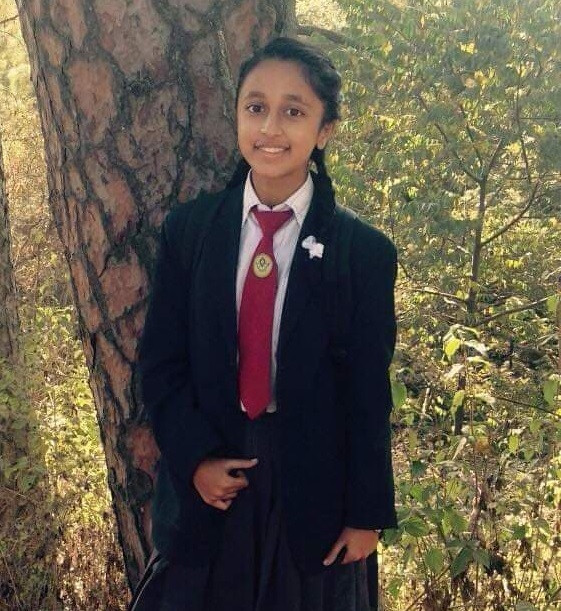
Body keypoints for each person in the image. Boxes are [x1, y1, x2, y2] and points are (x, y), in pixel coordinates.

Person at [131, 36, 398, 611]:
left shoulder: (362, 251)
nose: (270, 128)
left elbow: (368, 393)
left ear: (324, 130)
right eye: (256, 107)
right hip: (212, 485)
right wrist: (196, 459)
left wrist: (366, 514)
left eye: (293, 111)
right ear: (237, 115)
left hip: (312, 493)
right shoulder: (191, 231)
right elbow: (161, 363)